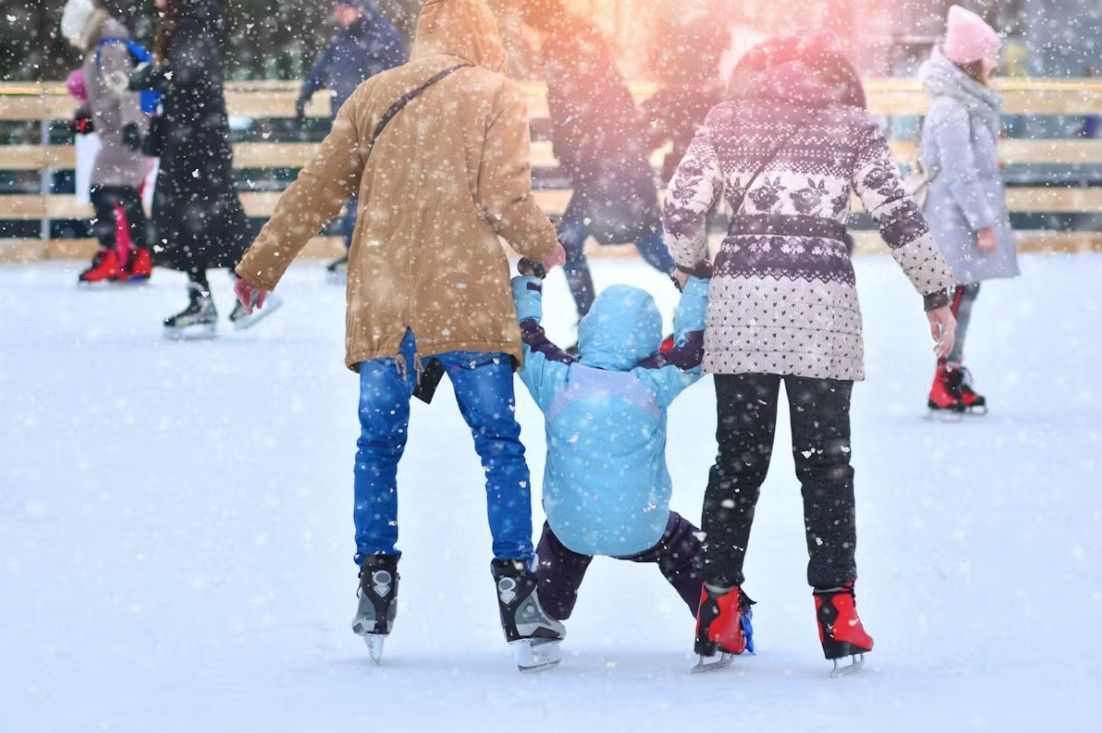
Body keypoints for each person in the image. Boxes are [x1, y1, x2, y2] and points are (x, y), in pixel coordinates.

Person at [232, 0, 568, 671]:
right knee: (499, 445)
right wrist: (545, 246)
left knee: (378, 444)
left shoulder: (372, 93)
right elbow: (505, 198)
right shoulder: (494, 93)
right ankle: (517, 589)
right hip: (465, 294)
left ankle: (375, 583)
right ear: (482, 37)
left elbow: (315, 190)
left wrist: (261, 264)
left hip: (387, 300)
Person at [663, 32, 958, 674]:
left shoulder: (724, 120)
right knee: (826, 466)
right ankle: (838, 612)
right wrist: (935, 290)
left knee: (737, 464)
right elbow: (897, 214)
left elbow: (681, 208)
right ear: (830, 78)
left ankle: (717, 609)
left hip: (739, 308)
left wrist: (691, 269)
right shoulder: (850, 127)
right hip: (822, 313)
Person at [510, 261, 755, 651]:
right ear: (646, 339)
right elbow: (693, 347)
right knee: (683, 544)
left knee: (562, 535)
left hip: (573, 524)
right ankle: (723, 617)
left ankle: (543, 615)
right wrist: (696, 286)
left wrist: (530, 282)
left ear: (591, 330)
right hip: (643, 525)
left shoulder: (556, 378)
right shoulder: (653, 382)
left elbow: (525, 337)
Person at [518, 0, 675, 322]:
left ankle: (590, 315)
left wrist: (578, 149)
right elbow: (600, 102)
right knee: (641, 234)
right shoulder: (580, 38)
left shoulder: (566, 44)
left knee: (578, 241)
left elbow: (575, 108)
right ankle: (699, 292)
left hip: (605, 161)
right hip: (613, 158)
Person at [134, 0, 280, 338]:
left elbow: (189, 71)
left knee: (211, 218)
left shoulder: (195, 21)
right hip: (191, 140)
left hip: (199, 144)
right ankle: (203, 299)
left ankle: (249, 288)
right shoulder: (187, 20)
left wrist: (152, 74)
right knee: (188, 221)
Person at [920, 5, 1020, 415]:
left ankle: (952, 373)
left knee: (965, 293)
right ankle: (944, 378)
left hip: (959, 218)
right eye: (989, 54)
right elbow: (960, 174)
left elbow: (966, 165)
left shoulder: (966, 104)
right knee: (955, 297)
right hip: (954, 221)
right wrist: (982, 223)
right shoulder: (952, 108)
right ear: (971, 60)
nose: (994, 61)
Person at [294, 0, 406, 282]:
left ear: (359, 8)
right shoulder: (344, 39)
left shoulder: (382, 36)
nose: (338, 15)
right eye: (337, 9)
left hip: (376, 127)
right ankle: (355, 250)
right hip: (347, 127)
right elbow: (324, 66)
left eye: (344, 8)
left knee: (373, 191)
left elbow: (400, 77)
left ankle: (374, 254)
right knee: (352, 188)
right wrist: (306, 92)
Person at [60, 0, 152, 285]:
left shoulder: (110, 47)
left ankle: (116, 256)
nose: (74, 42)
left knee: (105, 193)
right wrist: (84, 115)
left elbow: (125, 91)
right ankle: (133, 257)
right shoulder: (101, 47)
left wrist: (132, 126)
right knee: (121, 195)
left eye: (74, 35)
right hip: (115, 133)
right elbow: (101, 93)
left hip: (122, 136)